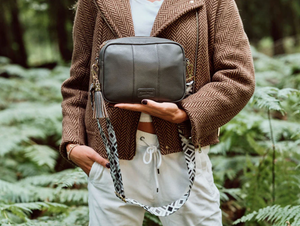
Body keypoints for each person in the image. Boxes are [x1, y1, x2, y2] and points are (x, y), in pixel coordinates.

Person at [59, 0, 255, 225]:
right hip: (110, 158)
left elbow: (238, 76)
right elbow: (80, 82)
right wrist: (72, 143)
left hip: (184, 152)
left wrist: (184, 112)